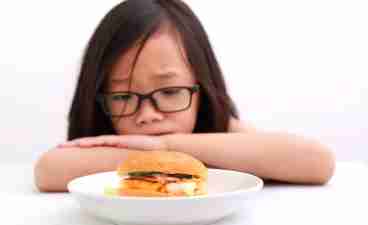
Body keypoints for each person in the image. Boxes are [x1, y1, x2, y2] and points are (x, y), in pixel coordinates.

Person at [34, 0, 335, 192]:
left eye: (169, 91)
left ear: (202, 87)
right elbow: (48, 171)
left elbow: (318, 162)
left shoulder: (219, 130)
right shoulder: (102, 141)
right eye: (123, 96)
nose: (148, 114)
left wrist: (167, 145)